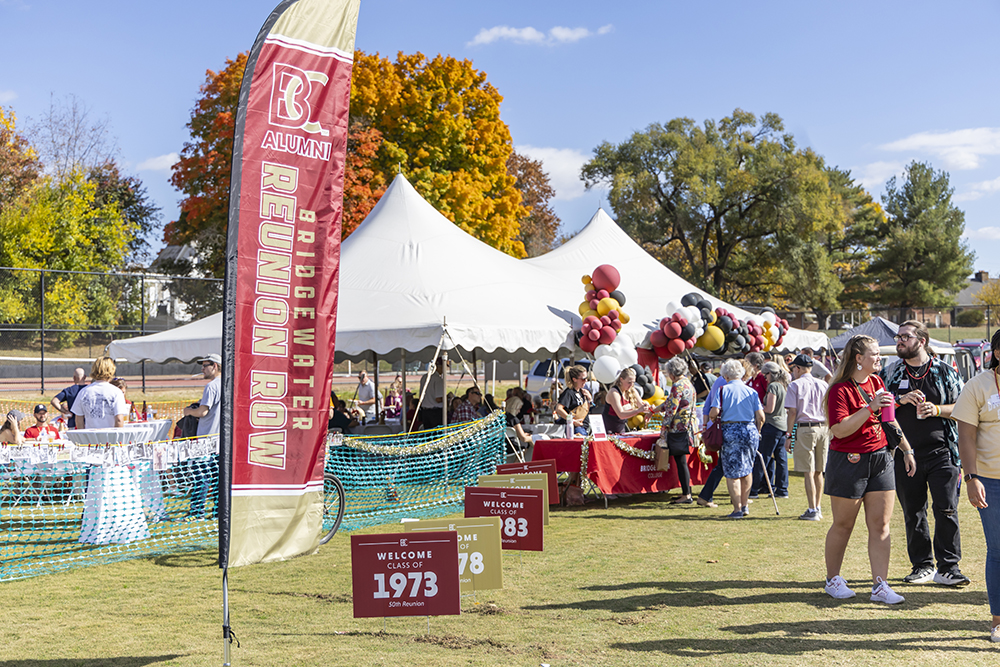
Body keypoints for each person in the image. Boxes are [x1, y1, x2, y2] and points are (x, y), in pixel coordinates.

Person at [823, 335, 916, 604]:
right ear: (858, 358)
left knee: (881, 525)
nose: (879, 358)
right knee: (843, 524)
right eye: (874, 354)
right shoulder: (839, 389)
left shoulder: (876, 381)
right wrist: (870, 407)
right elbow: (839, 429)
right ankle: (833, 579)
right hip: (848, 460)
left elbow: (889, 420)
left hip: (880, 458)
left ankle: (880, 586)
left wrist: (906, 448)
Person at [885, 320, 969, 586]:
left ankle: (949, 568)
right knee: (913, 511)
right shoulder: (892, 372)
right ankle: (922, 566)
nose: (899, 341)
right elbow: (878, 408)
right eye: (898, 337)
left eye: (905, 337)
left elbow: (964, 407)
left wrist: (936, 409)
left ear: (921, 340)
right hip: (905, 454)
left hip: (942, 452)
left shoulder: (944, 370)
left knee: (946, 508)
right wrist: (900, 400)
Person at [953, 328, 1000, 643]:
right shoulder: (977, 386)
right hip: (990, 481)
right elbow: (965, 436)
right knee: (998, 550)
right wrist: (971, 478)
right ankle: (998, 620)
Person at [708, 359, 764, 518]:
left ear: (725, 375)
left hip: (731, 430)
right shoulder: (751, 391)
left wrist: (715, 420)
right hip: (749, 429)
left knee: (732, 472)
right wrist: (757, 430)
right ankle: (745, 505)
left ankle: (737, 508)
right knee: (747, 469)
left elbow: (713, 413)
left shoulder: (722, 390)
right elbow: (761, 416)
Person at [785, 354, 831, 521]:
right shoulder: (823, 384)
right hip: (823, 428)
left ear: (797, 368)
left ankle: (812, 509)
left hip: (805, 429)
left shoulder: (795, 385)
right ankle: (816, 507)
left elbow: (792, 412)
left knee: (809, 472)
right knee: (819, 471)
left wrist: (788, 435)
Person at [181, 354, 222, 520]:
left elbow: (203, 412)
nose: (202, 369)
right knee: (218, 479)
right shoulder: (228, 384)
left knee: (201, 478)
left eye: (205, 365)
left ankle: (197, 512)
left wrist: (188, 411)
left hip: (206, 440)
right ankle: (218, 511)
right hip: (221, 441)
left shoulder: (211, 386)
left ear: (216, 366)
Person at [654, 357, 696, 504]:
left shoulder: (677, 385)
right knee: (681, 461)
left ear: (672, 373)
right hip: (687, 426)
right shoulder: (688, 383)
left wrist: (663, 427)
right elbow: (670, 402)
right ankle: (687, 493)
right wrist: (655, 409)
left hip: (678, 429)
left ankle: (686, 494)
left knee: (681, 461)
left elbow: (671, 409)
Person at [750, 361, 789, 499]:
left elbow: (769, 409)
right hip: (782, 426)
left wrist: (758, 407)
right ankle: (782, 489)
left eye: (765, 375)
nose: (765, 378)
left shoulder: (773, 386)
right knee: (781, 459)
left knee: (762, 457)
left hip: (772, 425)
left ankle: (753, 489)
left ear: (770, 374)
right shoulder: (783, 386)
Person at [72, 357, 128, 429]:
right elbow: (119, 420)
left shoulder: (83, 392)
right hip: (109, 438)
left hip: (90, 438)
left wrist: (83, 437)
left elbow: (79, 420)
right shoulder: (116, 392)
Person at [602, 367, 649, 435]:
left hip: (621, 430)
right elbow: (621, 414)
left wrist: (650, 408)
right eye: (629, 382)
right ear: (621, 379)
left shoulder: (632, 390)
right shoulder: (614, 392)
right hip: (608, 430)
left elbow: (642, 406)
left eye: (633, 382)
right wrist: (638, 410)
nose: (631, 385)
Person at [554, 365, 593, 436]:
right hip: (575, 429)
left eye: (586, 378)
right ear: (574, 379)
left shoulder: (582, 392)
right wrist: (572, 421)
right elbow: (559, 408)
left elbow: (585, 410)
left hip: (585, 427)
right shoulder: (569, 392)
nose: (586, 381)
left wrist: (589, 399)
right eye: (583, 379)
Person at [419, 358, 446, 429]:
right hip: (435, 412)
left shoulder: (424, 377)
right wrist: (448, 398)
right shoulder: (438, 380)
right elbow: (438, 399)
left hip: (425, 411)